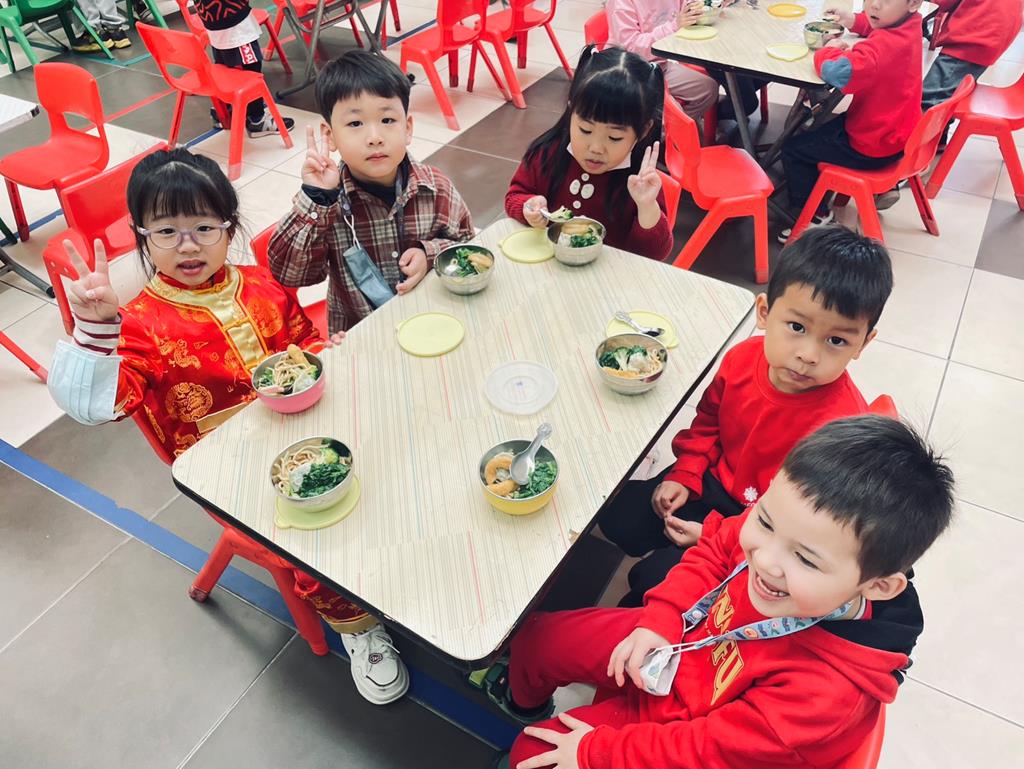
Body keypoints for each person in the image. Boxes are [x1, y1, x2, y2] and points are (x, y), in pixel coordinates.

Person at [47, 147, 409, 706]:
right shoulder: (138, 325)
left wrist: (323, 352)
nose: (188, 245)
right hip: (228, 469)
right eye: (167, 231)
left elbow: (300, 341)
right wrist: (95, 330)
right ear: (142, 236)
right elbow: (99, 407)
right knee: (307, 529)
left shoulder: (260, 283)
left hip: (306, 424)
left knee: (392, 451)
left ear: (230, 227)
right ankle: (359, 627)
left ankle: (393, 559)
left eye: (204, 227)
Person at [489, 415, 955, 769]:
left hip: (691, 727)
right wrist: (660, 620)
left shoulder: (825, 696)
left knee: (532, 752)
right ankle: (521, 702)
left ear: (878, 585)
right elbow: (718, 545)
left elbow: (707, 751)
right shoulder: (786, 529)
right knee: (540, 638)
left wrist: (596, 752)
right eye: (764, 521)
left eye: (807, 560)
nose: (765, 560)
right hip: (681, 642)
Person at [598, 225, 892, 606]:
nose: (808, 354)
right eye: (797, 327)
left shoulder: (840, 430)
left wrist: (714, 535)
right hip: (714, 479)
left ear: (863, 343)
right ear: (764, 312)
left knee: (651, 584)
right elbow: (708, 422)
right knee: (619, 519)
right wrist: (685, 472)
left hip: (768, 527)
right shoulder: (741, 359)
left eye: (837, 340)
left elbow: (805, 526)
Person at [268, 50, 475, 333]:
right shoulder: (327, 203)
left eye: (387, 120)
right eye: (355, 123)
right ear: (330, 135)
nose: (375, 137)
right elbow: (289, 274)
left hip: (433, 321)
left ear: (407, 128)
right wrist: (316, 199)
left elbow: (468, 246)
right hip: (362, 333)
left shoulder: (436, 188)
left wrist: (429, 254)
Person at [505, 45, 673, 262]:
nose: (596, 148)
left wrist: (647, 207)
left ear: (643, 130)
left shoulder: (641, 182)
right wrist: (528, 206)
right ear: (571, 111)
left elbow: (654, 254)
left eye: (614, 137)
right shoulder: (548, 153)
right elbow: (515, 196)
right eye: (585, 130)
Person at [778, 0, 924, 242]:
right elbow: (880, 23)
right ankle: (826, 190)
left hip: (872, 144)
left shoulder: (883, 46)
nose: (874, 5)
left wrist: (829, 49)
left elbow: (837, 72)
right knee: (817, 131)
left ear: (914, 3)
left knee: (793, 149)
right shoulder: (911, 24)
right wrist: (853, 20)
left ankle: (815, 217)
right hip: (897, 133)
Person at [875, 0, 1024, 210]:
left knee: (927, 102)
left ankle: (897, 172)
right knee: (946, 92)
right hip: (992, 32)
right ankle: (938, 141)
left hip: (976, 35)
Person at [607, 0, 764, 124]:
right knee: (744, 97)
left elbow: (690, 7)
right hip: (627, 70)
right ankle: (651, 134)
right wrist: (674, 26)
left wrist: (711, 5)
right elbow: (630, 47)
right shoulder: (621, 3)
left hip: (660, 64)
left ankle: (668, 132)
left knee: (708, 89)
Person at [188, 0, 295, 137]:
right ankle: (257, 119)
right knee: (251, 71)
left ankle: (224, 112)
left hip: (212, 18)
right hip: (234, 21)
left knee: (224, 66)